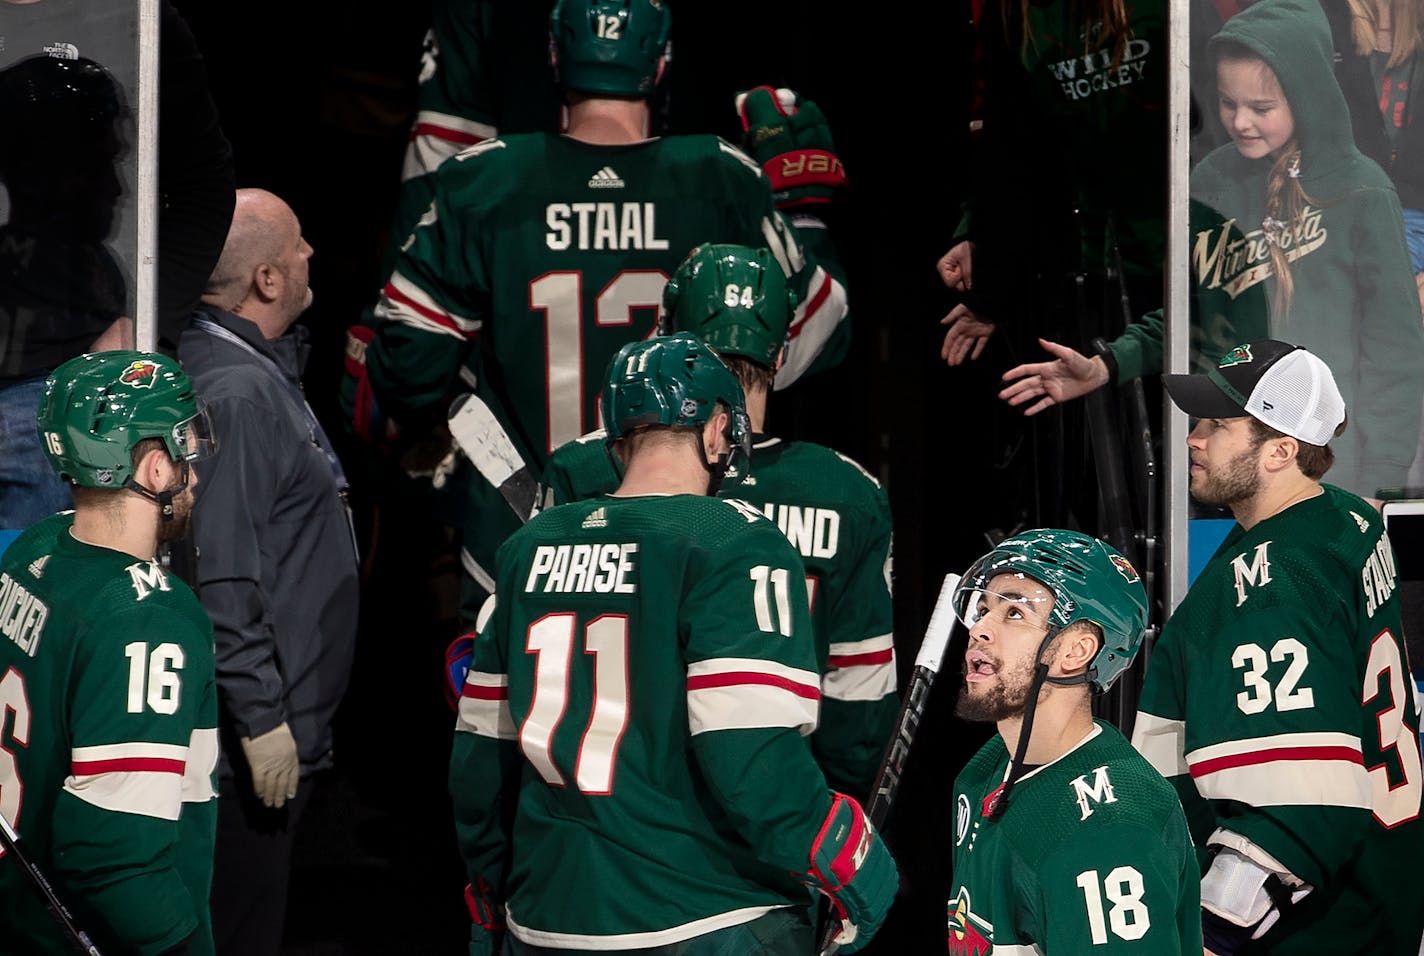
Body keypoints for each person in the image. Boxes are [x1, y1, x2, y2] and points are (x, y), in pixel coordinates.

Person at [358, 0, 851, 624]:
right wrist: (805, 217)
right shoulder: (721, 175)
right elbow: (817, 339)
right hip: (679, 532)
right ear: (663, 61)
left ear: (557, 58)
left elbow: (408, 373)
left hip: (518, 532)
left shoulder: (483, 180)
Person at [449, 333, 897, 955]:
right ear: (719, 432)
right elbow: (749, 756)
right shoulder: (736, 541)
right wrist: (845, 857)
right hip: (702, 916)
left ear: (616, 443)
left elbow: (478, 762)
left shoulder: (527, 549)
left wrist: (491, 888)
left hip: (545, 912)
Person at [999, 0, 1424, 503]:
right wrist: (1107, 365)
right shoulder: (1210, 183)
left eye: (1261, 108)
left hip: (1328, 471)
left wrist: (1381, 479)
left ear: (1307, 95)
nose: (1240, 121)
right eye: (1228, 103)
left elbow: (1394, 349)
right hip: (1229, 467)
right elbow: (1187, 315)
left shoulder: (1361, 192)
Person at [539, 242, 898, 799]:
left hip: (602, 809)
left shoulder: (587, 468)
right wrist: (824, 823)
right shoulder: (848, 493)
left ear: (669, 341)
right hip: (768, 811)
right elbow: (858, 701)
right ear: (780, 354)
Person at [1130, 338, 1424, 953]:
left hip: (1314, 932)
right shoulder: (1348, 518)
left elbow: (1297, 804)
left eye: (1217, 424)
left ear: (1281, 451)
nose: (1193, 438)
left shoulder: (1271, 577)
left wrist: (1203, 940)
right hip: (1381, 894)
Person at [175, 188, 360, 956]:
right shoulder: (240, 392)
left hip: (267, 728)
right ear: (268, 280)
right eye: (298, 243)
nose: (311, 252)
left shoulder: (247, 368)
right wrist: (262, 719)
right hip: (247, 751)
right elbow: (220, 571)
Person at [0, 350, 218, 955]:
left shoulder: (35, 546)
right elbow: (114, 853)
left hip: (19, 911)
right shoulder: (150, 618)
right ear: (152, 469)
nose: (191, 471)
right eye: (182, 449)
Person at [945, 528, 1201, 954]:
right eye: (984, 608)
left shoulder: (1112, 828)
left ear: (1076, 652)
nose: (980, 629)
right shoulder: (985, 770)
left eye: (1013, 614)